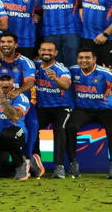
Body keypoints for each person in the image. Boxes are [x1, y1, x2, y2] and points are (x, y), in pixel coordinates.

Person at [66, 48, 112, 179]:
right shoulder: (72, 70)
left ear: (94, 59)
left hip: (105, 110)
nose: (84, 60)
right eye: (81, 58)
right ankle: (73, 164)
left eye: (87, 58)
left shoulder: (104, 73)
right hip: (83, 110)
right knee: (70, 127)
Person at [0, 31, 38, 170]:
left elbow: (30, 82)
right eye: (3, 42)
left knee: (33, 125)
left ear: (16, 45)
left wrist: (18, 91)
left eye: (9, 42)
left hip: (22, 102)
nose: (5, 45)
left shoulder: (25, 62)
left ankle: (29, 157)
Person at [33, 41, 73, 178]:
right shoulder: (34, 66)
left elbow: (66, 85)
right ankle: (35, 164)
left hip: (61, 107)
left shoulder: (61, 68)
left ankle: (59, 166)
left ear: (55, 53)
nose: (46, 52)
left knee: (60, 130)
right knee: (31, 128)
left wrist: (55, 78)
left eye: (50, 50)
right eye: (43, 50)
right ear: (39, 52)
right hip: (42, 108)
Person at [0, 67, 31, 180]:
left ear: (13, 80)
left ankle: (21, 165)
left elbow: (14, 117)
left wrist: (2, 99)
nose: (6, 83)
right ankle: (29, 167)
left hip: (16, 133)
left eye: (8, 79)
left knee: (8, 134)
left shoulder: (20, 97)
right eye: (2, 80)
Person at [36, 0, 83, 67]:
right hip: (49, 33)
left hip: (72, 32)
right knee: (53, 65)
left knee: (73, 64)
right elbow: (36, 7)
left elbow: (83, 4)